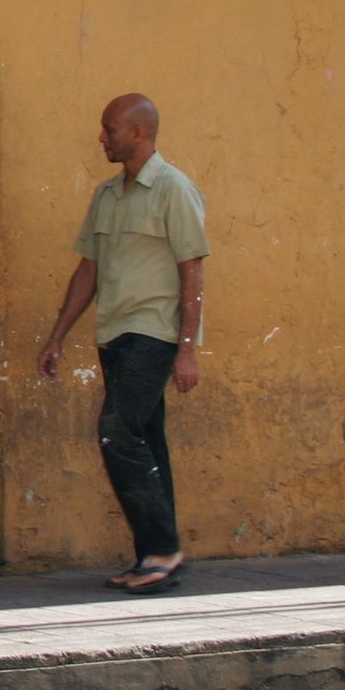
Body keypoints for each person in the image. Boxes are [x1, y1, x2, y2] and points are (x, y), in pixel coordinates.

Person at [37, 94, 209, 596]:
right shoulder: (106, 196)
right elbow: (87, 271)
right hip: (113, 334)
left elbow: (192, 268)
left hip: (153, 333)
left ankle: (163, 548)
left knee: (118, 432)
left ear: (138, 132)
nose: (102, 138)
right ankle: (155, 556)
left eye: (110, 129)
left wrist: (187, 347)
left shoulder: (174, 189)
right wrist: (57, 338)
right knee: (145, 439)